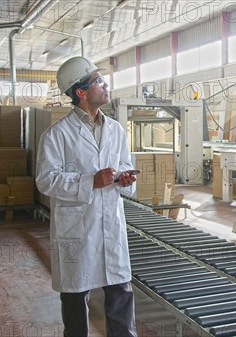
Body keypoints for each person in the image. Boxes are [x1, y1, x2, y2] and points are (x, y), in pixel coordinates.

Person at [36, 56, 138, 337]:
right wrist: (88, 182)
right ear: (81, 92)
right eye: (98, 82)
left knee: (120, 291)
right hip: (76, 229)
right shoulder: (56, 136)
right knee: (74, 295)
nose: (106, 86)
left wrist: (125, 178)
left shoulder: (115, 130)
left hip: (110, 224)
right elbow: (46, 180)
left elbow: (124, 165)